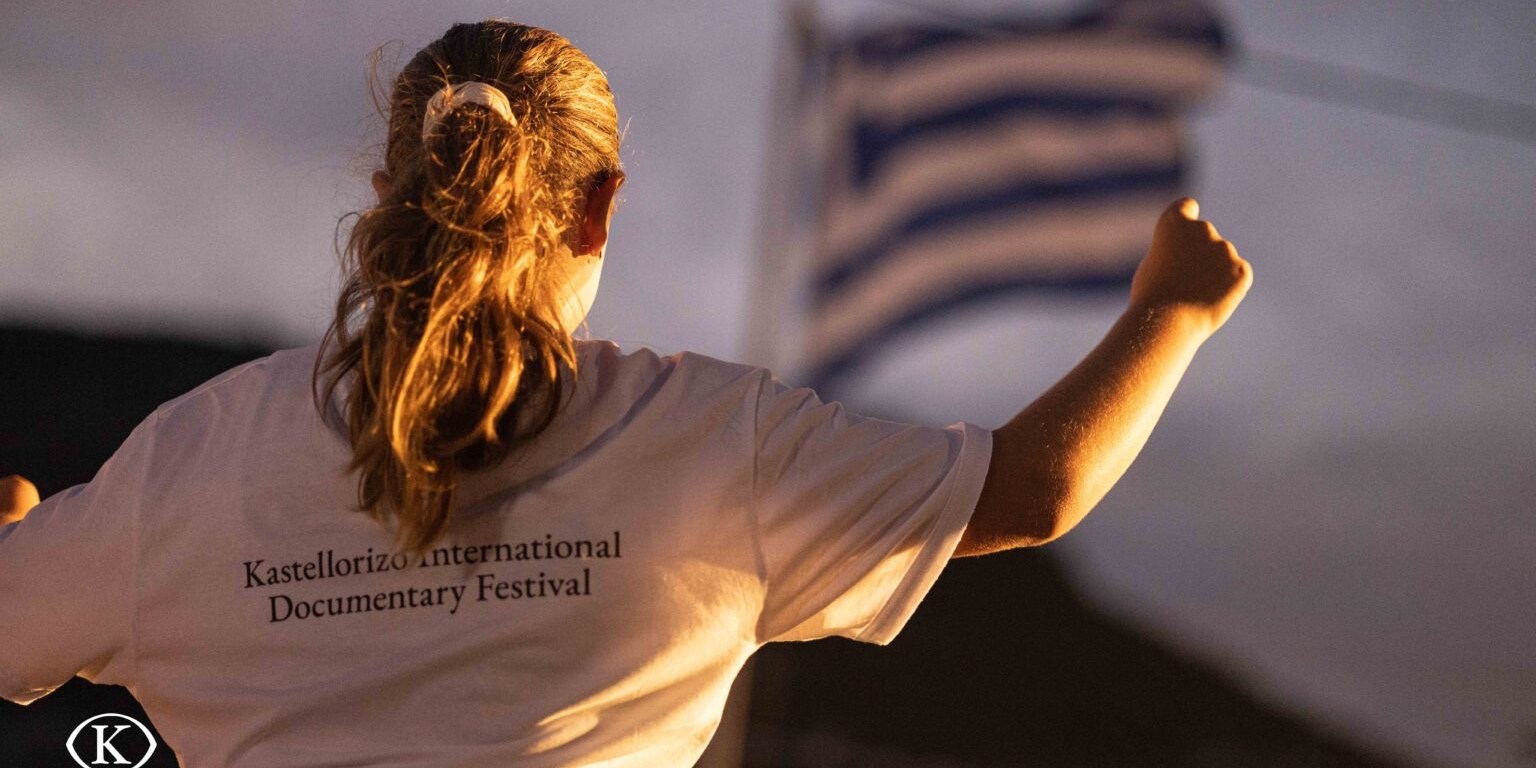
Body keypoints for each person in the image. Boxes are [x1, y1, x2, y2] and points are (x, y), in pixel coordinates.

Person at [0, 19, 1250, 767]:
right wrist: (1174, 312)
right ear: (601, 208)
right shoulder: (715, 443)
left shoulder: (186, 463)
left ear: (386, 198)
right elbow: (1032, 488)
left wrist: (23, 538)